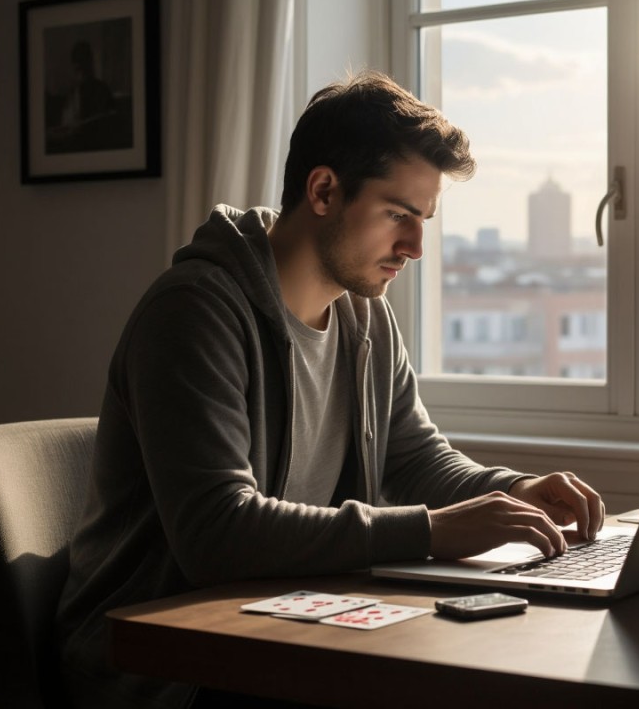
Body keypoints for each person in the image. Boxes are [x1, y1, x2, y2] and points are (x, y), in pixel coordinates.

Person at [55, 70, 605, 708]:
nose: (417, 246)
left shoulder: (363, 312)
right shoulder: (194, 311)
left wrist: (513, 491)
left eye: (424, 219)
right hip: (166, 670)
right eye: (399, 214)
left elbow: (413, 455)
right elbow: (216, 533)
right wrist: (432, 531)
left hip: (283, 632)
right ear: (323, 190)